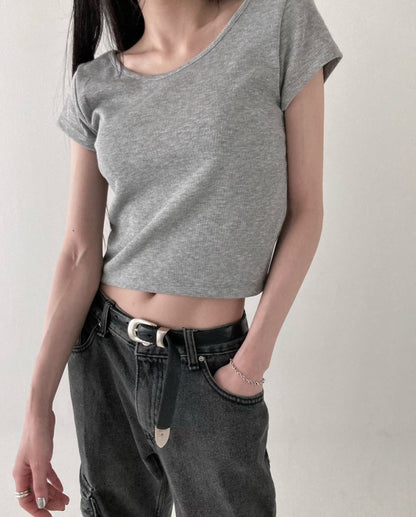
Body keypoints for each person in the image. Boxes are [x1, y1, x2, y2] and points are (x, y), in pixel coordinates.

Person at [12, 0, 343, 514]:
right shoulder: (95, 84)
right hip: (105, 356)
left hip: (213, 366)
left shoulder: (278, 21)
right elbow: (79, 252)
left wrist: (249, 365)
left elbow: (307, 212)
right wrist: (38, 410)